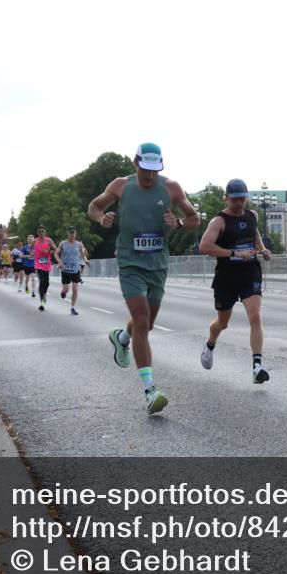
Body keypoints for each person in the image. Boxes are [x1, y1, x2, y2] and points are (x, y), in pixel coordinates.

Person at [87, 141, 199, 414]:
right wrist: (101, 218)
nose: (149, 176)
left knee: (146, 325)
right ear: (135, 163)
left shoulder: (172, 188)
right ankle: (150, 391)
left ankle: (122, 337)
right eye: (144, 169)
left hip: (157, 264)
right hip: (130, 262)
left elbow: (194, 218)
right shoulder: (120, 186)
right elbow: (94, 206)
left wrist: (179, 223)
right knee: (141, 319)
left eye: (153, 170)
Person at [197, 179, 272, 383]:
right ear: (226, 198)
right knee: (223, 323)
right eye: (234, 200)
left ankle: (257, 367)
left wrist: (263, 249)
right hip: (226, 277)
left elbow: (254, 232)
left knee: (255, 316)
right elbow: (204, 247)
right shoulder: (219, 221)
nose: (239, 204)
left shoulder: (252, 215)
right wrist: (233, 253)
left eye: (242, 199)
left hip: (250, 273)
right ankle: (210, 344)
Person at [55, 226, 84, 315]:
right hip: (65, 270)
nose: (72, 234)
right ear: (67, 233)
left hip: (75, 270)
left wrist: (86, 260)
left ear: (75, 233)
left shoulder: (79, 244)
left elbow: (83, 254)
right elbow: (56, 254)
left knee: (75, 288)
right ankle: (63, 292)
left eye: (73, 232)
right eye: (70, 232)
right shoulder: (63, 243)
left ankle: (72, 308)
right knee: (66, 290)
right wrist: (59, 262)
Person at [33, 226, 57, 311]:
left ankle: (44, 295)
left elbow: (56, 250)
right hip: (38, 263)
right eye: (39, 231)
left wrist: (49, 251)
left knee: (46, 283)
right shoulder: (35, 241)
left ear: (45, 232)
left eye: (42, 231)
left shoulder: (49, 240)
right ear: (38, 233)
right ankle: (42, 302)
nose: (41, 233)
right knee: (42, 281)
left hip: (47, 263)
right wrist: (32, 253)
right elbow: (31, 249)